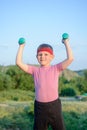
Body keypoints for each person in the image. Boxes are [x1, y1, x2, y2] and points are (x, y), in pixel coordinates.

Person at [16, 36, 74, 130]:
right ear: (36, 57)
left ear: (52, 57)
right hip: (40, 107)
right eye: (40, 54)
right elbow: (19, 63)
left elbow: (70, 58)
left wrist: (66, 42)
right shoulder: (34, 70)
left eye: (46, 54)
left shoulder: (56, 68)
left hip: (54, 106)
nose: (42, 57)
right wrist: (21, 46)